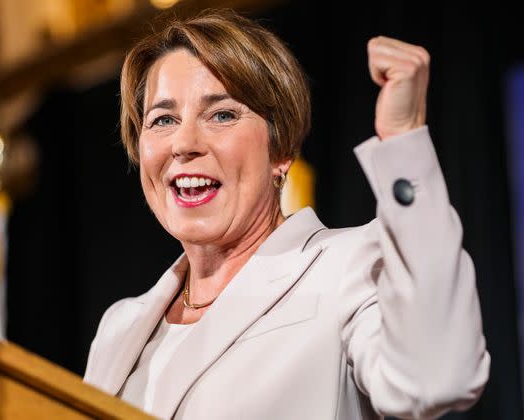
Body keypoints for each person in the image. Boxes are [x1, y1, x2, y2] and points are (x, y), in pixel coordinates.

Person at [83, 8, 490, 420]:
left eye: (221, 114)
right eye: (163, 119)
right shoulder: (120, 327)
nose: (184, 143)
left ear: (281, 151)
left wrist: (403, 139)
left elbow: (436, 377)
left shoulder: (347, 268)